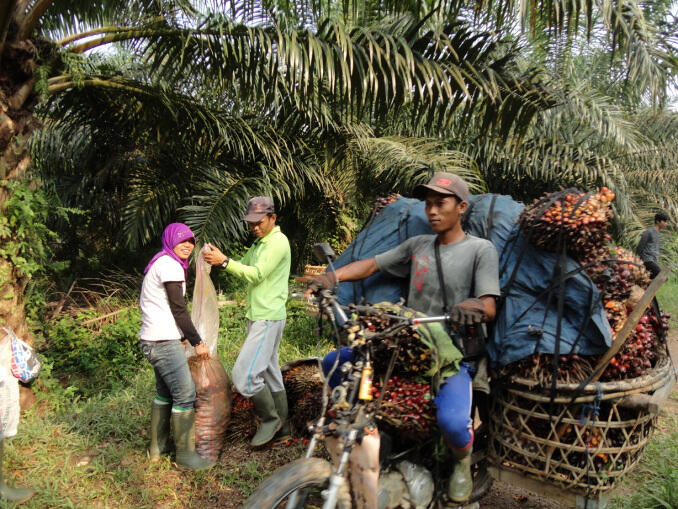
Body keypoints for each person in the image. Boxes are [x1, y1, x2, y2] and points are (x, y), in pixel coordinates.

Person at [309, 172, 500, 504]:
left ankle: (462, 462)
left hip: (452, 354)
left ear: (462, 207)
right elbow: (371, 265)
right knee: (332, 362)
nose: (432, 211)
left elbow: (490, 304)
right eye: (428, 204)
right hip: (407, 344)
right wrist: (332, 276)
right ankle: (361, 438)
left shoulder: (480, 250)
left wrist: (474, 307)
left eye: (441, 203)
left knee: (453, 423)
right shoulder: (418, 245)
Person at [203, 197, 292, 447]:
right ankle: (284, 426)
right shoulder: (261, 243)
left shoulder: (277, 242)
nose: (254, 227)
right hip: (259, 315)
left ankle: (269, 419)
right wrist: (221, 258)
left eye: (259, 222)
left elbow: (257, 274)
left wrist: (225, 262)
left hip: (267, 316)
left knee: (244, 376)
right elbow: (244, 265)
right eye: (251, 223)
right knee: (269, 370)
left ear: (273, 218)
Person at [139, 222, 214, 470]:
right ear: (170, 241)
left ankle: (158, 448)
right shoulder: (170, 266)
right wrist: (198, 342)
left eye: (191, 241)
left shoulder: (160, 262)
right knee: (185, 394)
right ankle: (186, 456)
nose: (187, 245)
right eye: (182, 241)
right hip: (162, 342)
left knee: (164, 393)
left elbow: (165, 307)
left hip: (152, 340)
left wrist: (180, 335)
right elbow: (179, 309)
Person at [636, 212, 669, 279]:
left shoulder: (658, 233)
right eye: (664, 221)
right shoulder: (649, 232)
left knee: (650, 281)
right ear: (657, 221)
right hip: (647, 260)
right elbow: (640, 246)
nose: (666, 223)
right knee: (662, 276)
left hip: (654, 261)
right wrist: (637, 260)